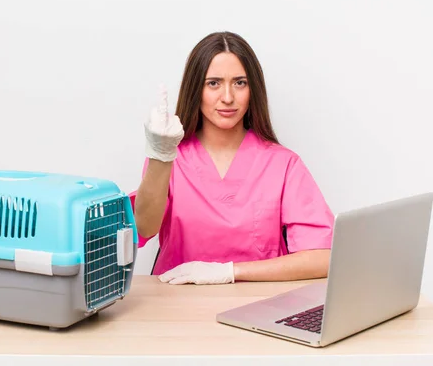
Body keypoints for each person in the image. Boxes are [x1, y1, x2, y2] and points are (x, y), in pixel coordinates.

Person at [131, 31, 334, 285]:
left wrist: (230, 272)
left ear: (253, 90)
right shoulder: (171, 158)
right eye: (213, 83)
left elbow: (323, 257)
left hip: (258, 306)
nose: (227, 97)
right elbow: (144, 227)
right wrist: (160, 155)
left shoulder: (283, 164)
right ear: (196, 89)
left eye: (240, 83)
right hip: (178, 303)